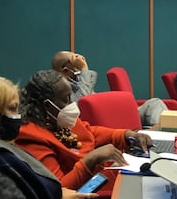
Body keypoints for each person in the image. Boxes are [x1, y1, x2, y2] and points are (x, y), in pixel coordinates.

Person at [15, 69, 152, 191]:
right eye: (66, 99)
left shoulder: (58, 119)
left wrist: (125, 135)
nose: (71, 104)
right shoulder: (30, 136)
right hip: (89, 197)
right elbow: (59, 189)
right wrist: (91, 159)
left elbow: (89, 132)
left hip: (107, 178)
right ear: (48, 106)